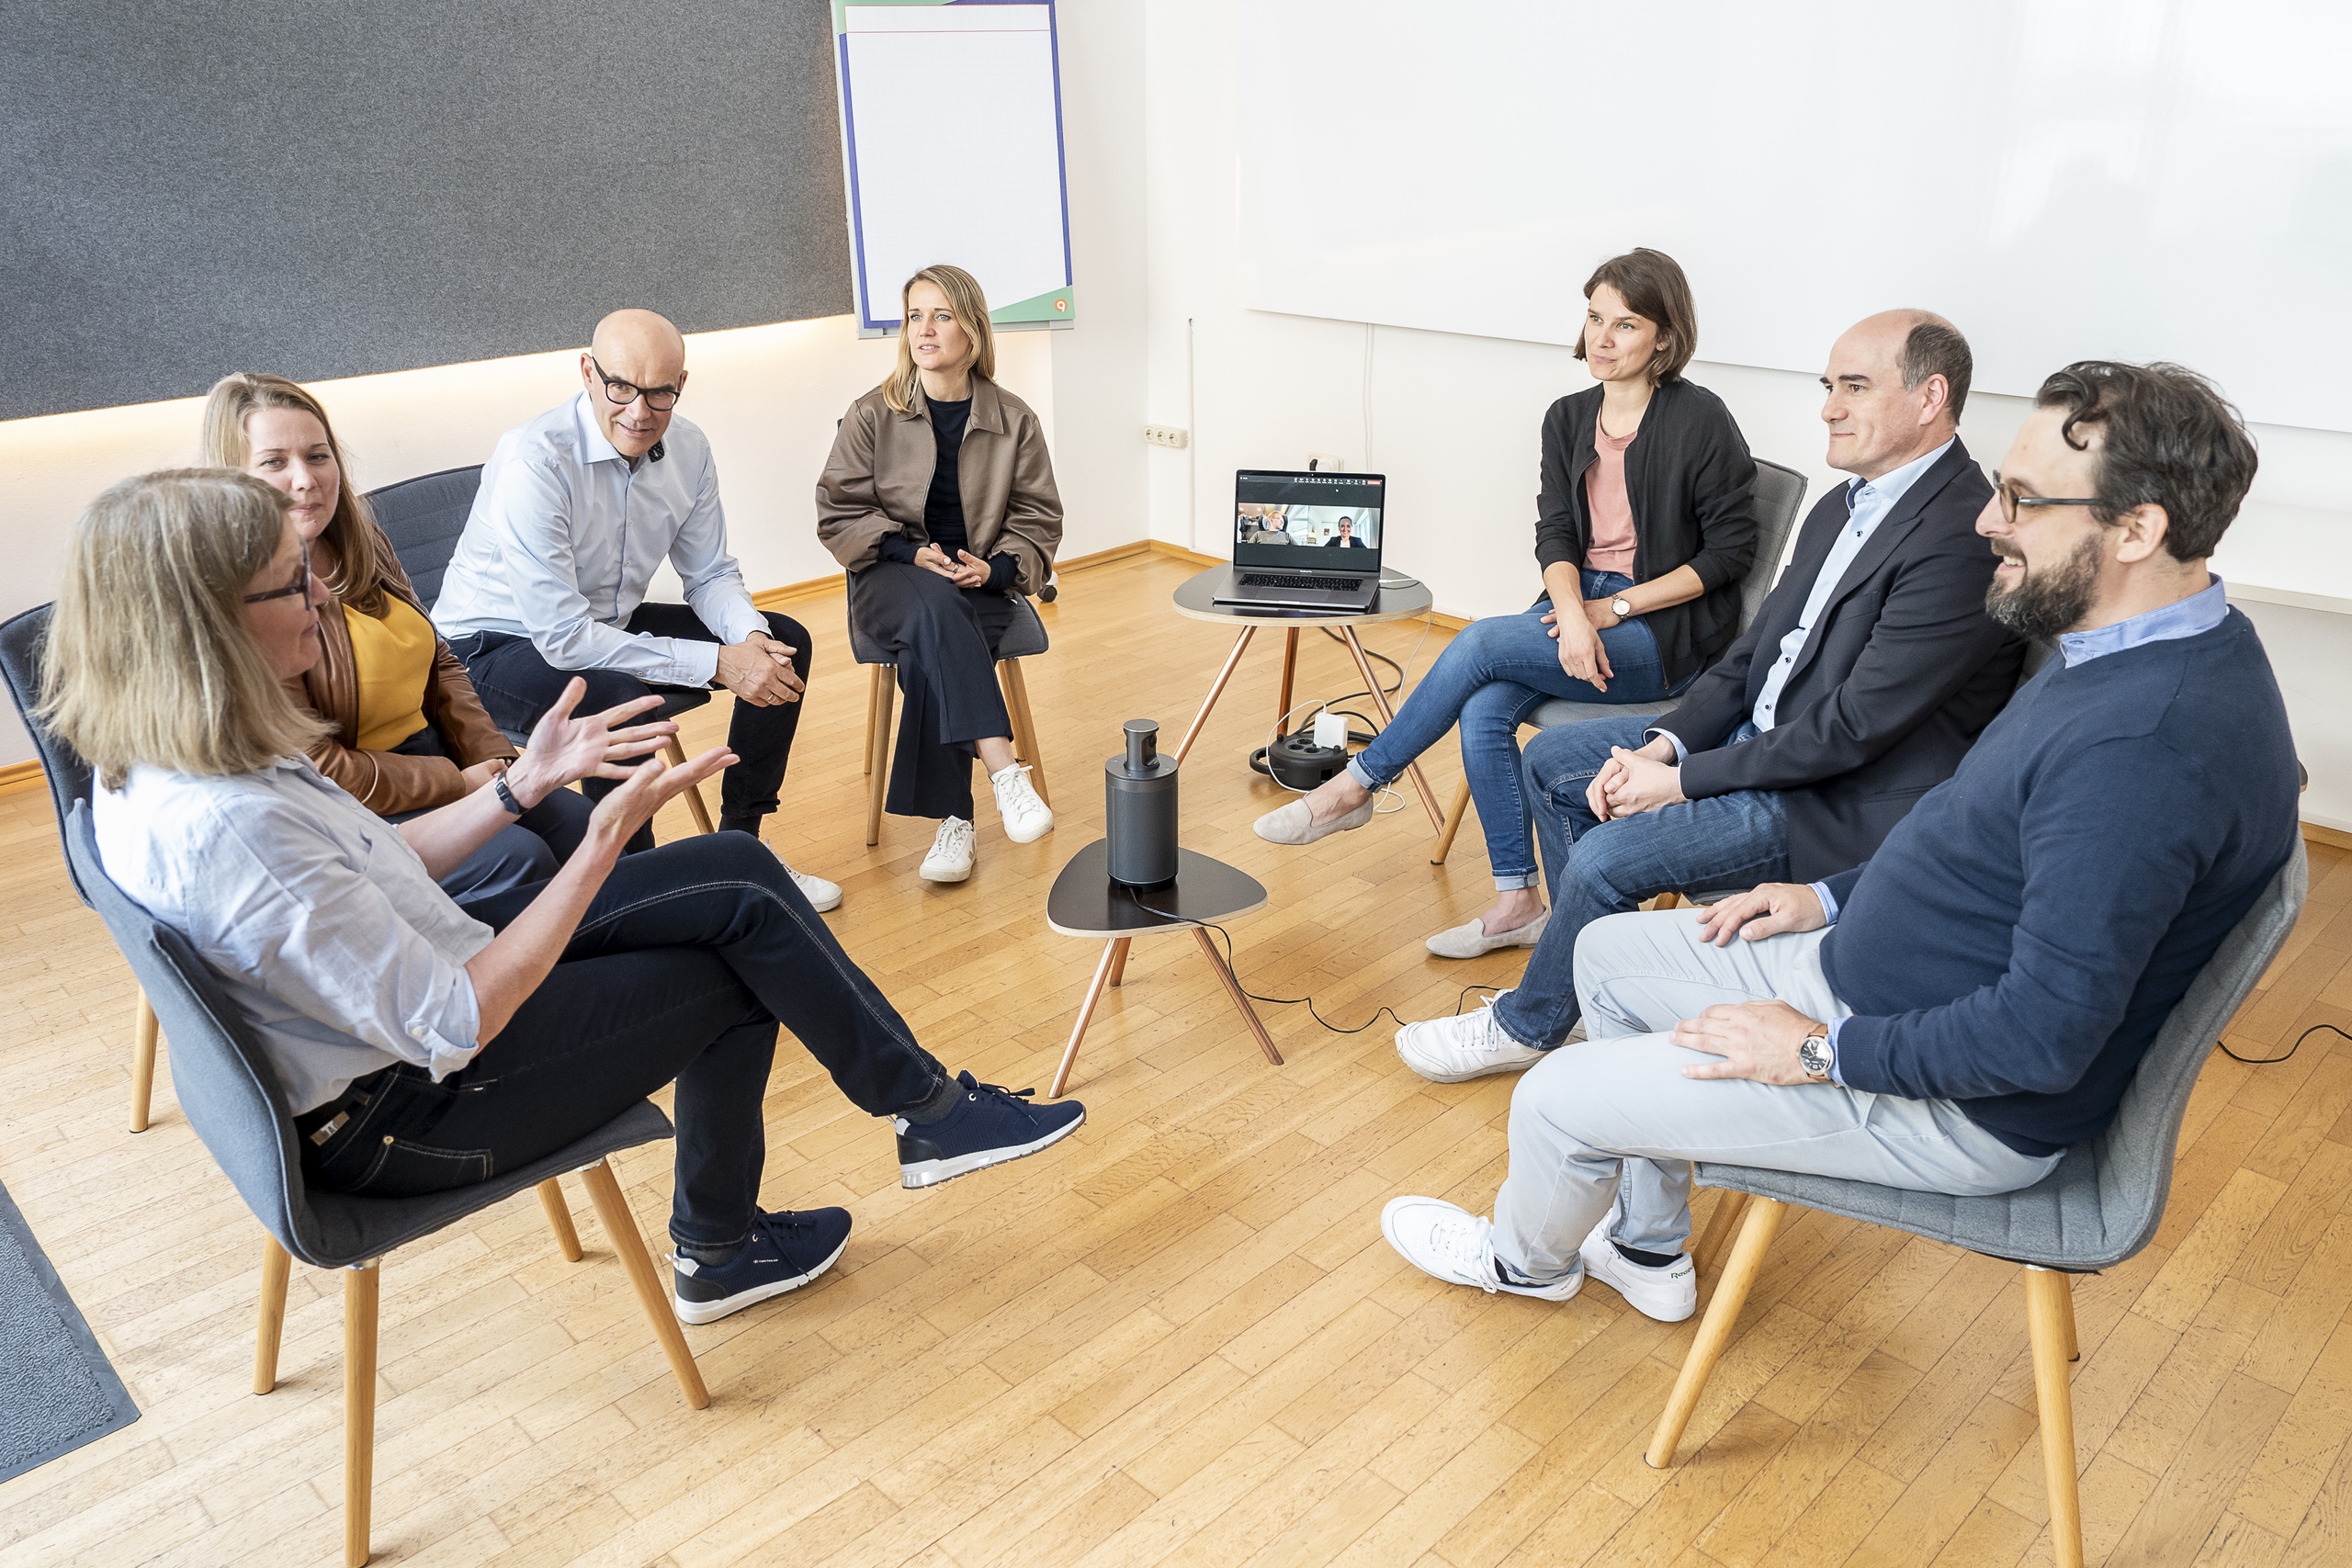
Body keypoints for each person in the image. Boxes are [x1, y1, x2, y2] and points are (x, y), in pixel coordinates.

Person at [45, 468, 1088, 1325]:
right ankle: (733, 1238)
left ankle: (922, 1115)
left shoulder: (177, 763)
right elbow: (454, 1021)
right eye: (293, 585)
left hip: (413, 995)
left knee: (734, 872)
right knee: (742, 969)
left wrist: (520, 787)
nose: (324, 597)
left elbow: (376, 864)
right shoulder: (238, 824)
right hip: (413, 1110)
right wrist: (595, 844)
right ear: (205, 626)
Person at [1380, 361, 2296, 1326]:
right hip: (1874, 972)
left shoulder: (2143, 748)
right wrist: (1828, 896)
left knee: (1552, 1099)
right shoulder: (2130, 645)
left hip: (1947, 1095)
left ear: (2137, 530)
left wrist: (1818, 1050)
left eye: (2023, 500)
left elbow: (2039, 1039)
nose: (1990, 521)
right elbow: (1975, 833)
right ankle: (1646, 1246)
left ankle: (1526, 1263)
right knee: (1601, 955)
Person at [1393, 312, 2023, 1082]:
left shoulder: (1962, 535)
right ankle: (1581, 988)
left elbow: (1850, 729)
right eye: (1829, 386)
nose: (1829, 408)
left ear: (1930, 398)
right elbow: (1753, 655)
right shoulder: (1844, 504)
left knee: (1601, 860)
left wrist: (1681, 781)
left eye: (1855, 387)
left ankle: (1532, 1022)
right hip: (1761, 742)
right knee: (1553, 761)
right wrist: (1668, 744)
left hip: (1831, 795)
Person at [1253, 248, 1759, 963]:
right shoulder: (1568, 417)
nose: (1602, 338)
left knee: (1482, 644)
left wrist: (1610, 611)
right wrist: (1574, 611)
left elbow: (1728, 555)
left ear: (1664, 339)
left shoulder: (1700, 419)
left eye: (1625, 325)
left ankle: (1356, 785)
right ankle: (1520, 902)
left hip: (1663, 632)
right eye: (1594, 318)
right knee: (1486, 705)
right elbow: (1555, 532)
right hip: (1575, 604)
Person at [433, 309, 840, 909]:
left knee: (785, 641)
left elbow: (709, 573)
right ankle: (635, 890)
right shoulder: (534, 459)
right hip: (488, 649)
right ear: (587, 373)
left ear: (682, 384)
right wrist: (717, 663)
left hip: (604, 624)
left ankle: (741, 848)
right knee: (619, 700)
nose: (640, 411)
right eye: (621, 387)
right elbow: (564, 638)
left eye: (660, 392)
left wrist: (749, 639)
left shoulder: (689, 448)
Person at [199, 373, 594, 899]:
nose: (305, 479)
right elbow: (320, 767)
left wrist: (494, 762)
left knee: (579, 821)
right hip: (353, 800)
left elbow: (440, 661)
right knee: (519, 858)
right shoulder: (244, 598)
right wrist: (460, 784)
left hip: (438, 756)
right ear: (232, 478)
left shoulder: (361, 539)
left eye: (318, 456)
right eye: (274, 462)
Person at [816, 265, 1059, 885]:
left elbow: (1038, 516)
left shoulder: (1015, 420)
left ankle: (957, 821)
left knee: (932, 646)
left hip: (978, 585)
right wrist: (906, 550)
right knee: (933, 607)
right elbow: (838, 512)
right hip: (889, 575)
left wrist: (995, 568)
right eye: (914, 316)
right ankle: (1003, 769)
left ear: (972, 329)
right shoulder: (871, 414)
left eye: (942, 315)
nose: (924, 330)